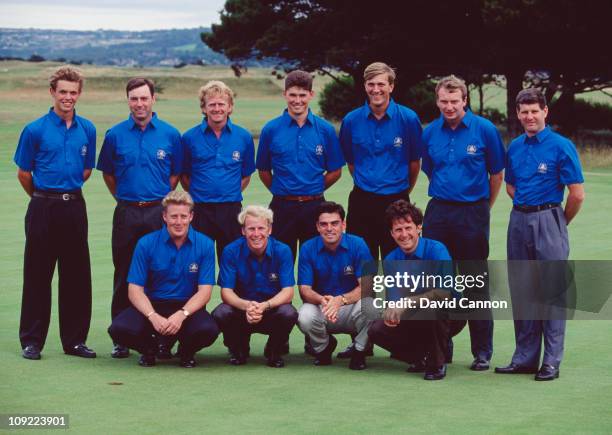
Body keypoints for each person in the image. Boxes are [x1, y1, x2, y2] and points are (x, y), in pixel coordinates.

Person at [495, 88, 585, 381]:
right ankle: (525, 358)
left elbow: (577, 195)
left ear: (545, 112)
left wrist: (558, 222)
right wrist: (525, 203)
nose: (530, 116)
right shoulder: (516, 146)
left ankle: (551, 362)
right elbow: (510, 185)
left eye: (535, 111)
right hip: (518, 219)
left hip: (549, 218)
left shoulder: (562, 146)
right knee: (522, 291)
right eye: (524, 112)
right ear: (518, 115)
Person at [421, 75, 506, 371]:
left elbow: (496, 175)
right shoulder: (430, 132)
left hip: (473, 211)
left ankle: (482, 351)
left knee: (474, 282)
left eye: (454, 101)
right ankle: (440, 346)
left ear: (465, 100)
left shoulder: (485, 130)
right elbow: (430, 169)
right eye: (443, 101)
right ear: (437, 101)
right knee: (435, 280)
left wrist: (482, 207)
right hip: (439, 212)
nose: (449, 106)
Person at [97, 77, 183, 359]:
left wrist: (156, 201)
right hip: (127, 212)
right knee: (124, 272)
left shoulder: (170, 135)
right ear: (128, 101)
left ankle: (160, 334)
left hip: (158, 212)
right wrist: (128, 198)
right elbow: (109, 175)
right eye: (134, 98)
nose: (139, 104)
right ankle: (122, 337)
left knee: (160, 272)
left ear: (153, 99)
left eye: (144, 98)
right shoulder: (115, 135)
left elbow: (174, 176)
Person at [15, 66, 97, 361]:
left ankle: (74, 340)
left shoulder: (87, 129)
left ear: (79, 94)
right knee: (38, 274)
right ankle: (32, 341)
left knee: (76, 275)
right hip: (42, 207)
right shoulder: (35, 129)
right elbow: (24, 173)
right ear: (52, 92)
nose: (68, 97)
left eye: (73, 92)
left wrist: (65, 194)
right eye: (62, 91)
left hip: (74, 206)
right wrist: (43, 197)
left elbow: (86, 170)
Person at [107, 191, 219, 368]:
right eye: (173, 216)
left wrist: (182, 315)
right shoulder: (146, 243)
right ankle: (150, 350)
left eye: (183, 216)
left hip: (185, 307)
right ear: (164, 217)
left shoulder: (204, 244)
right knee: (118, 329)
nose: (179, 222)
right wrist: (152, 316)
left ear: (191, 216)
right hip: (153, 305)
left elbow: (205, 292)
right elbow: (134, 290)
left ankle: (186, 351)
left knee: (209, 330)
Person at [368, 200, 464, 380]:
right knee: (376, 330)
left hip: (451, 314)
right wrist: (391, 314)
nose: (404, 234)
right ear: (391, 233)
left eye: (408, 227)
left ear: (419, 227)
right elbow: (394, 300)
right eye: (398, 230)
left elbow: (444, 293)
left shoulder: (437, 250)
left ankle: (437, 364)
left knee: (433, 307)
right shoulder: (391, 259)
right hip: (415, 316)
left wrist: (407, 302)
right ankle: (421, 356)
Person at [256, 70, 345, 261]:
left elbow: (336, 171)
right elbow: (263, 170)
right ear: (285, 94)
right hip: (281, 207)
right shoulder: (271, 129)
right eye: (293, 95)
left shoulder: (325, 130)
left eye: (303, 95)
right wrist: (280, 190)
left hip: (315, 206)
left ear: (311, 95)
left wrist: (314, 189)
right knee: (278, 264)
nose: (298, 100)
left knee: (316, 263)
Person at [340, 62, 423, 261]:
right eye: (371, 84)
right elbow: (351, 162)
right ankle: (368, 295)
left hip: (397, 200)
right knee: (363, 266)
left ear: (391, 86)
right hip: (362, 201)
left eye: (381, 84)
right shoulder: (351, 120)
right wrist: (370, 183)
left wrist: (401, 192)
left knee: (397, 264)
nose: (375, 89)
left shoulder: (408, 119)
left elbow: (414, 162)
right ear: (365, 86)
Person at [212, 205, 298, 368]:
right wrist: (247, 306)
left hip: (271, 309)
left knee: (289, 312)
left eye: (261, 228)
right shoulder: (230, 251)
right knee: (221, 313)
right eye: (251, 229)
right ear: (243, 231)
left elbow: (288, 292)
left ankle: (274, 350)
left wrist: (264, 306)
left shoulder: (283, 251)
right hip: (242, 311)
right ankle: (237, 348)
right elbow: (226, 292)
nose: (256, 234)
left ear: (269, 230)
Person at [181, 80, 255, 261]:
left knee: (232, 264)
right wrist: (201, 193)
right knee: (196, 263)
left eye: (221, 104)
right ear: (204, 108)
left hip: (231, 210)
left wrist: (227, 193)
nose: (216, 109)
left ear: (230, 107)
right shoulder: (189, 137)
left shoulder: (243, 136)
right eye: (211, 104)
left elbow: (246, 175)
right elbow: (184, 176)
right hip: (199, 210)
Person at [297, 201, 374, 370]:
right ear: (317, 226)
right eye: (324, 224)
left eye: (334, 223)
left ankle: (359, 350)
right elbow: (304, 290)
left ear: (343, 224)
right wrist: (322, 300)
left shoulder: (358, 244)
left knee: (373, 307)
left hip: (351, 305)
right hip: (324, 306)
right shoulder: (307, 248)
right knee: (304, 316)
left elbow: (367, 286)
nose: (329, 228)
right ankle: (323, 347)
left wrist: (341, 300)